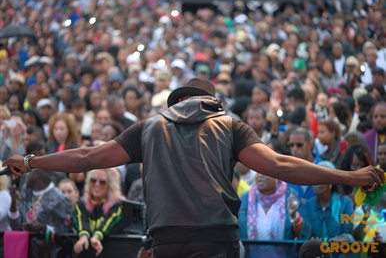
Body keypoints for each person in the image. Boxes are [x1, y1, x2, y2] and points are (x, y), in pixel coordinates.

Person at [3, 79, 385, 258]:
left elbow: (86, 159)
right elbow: (280, 165)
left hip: (167, 241)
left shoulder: (149, 127)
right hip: (216, 240)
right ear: (210, 100)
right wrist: (348, 176)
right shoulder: (229, 124)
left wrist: (31, 161)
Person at [238, 172, 310, 257]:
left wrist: (294, 215)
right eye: (257, 172)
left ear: (277, 177)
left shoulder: (291, 197)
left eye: (264, 172)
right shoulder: (244, 199)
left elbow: (303, 233)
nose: (260, 175)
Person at [73, 168, 125, 257]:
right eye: (93, 180)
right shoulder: (81, 203)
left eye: (102, 182)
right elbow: (82, 221)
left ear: (110, 185)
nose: (97, 184)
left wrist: (96, 236)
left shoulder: (119, 204)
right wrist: (83, 237)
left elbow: (108, 221)